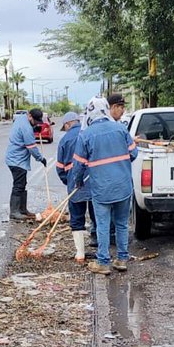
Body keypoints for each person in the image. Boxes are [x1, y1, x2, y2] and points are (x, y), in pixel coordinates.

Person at [69, 93, 138, 274]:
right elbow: (134, 154)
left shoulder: (86, 135)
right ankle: (122, 259)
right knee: (122, 224)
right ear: (106, 109)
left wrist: (78, 183)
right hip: (124, 186)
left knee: (103, 224)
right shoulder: (121, 129)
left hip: (102, 189)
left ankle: (103, 262)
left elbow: (78, 166)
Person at [56, 112, 95, 262]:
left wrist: (68, 182)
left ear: (67, 124)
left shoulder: (65, 140)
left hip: (75, 185)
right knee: (97, 215)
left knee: (77, 218)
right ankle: (100, 247)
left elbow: (60, 167)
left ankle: (80, 253)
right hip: (93, 183)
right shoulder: (89, 134)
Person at [5, 107, 46, 220]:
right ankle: (14, 212)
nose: (35, 123)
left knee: (22, 183)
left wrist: (34, 128)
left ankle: (22, 210)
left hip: (15, 158)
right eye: (35, 121)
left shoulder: (21, 118)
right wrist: (41, 158)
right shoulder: (26, 127)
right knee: (18, 185)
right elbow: (31, 147)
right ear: (30, 116)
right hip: (17, 160)